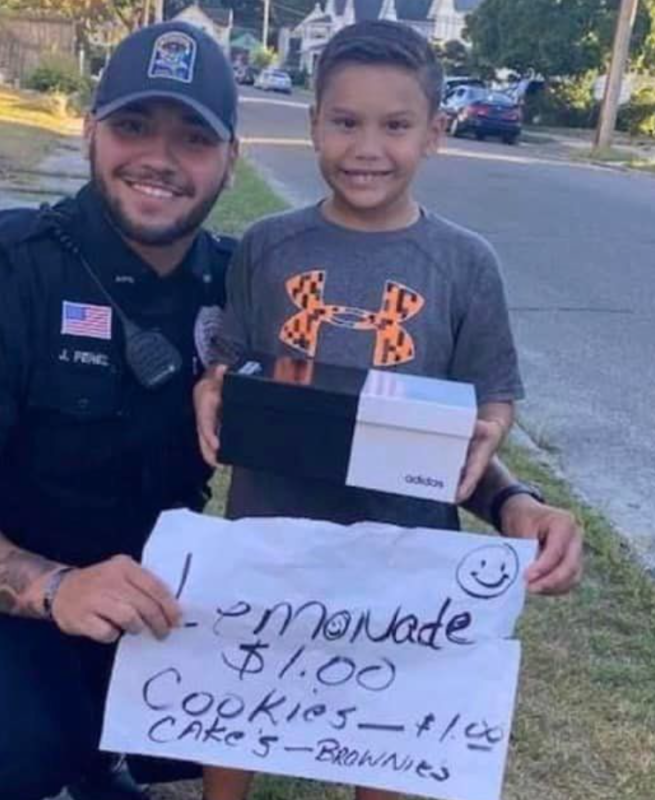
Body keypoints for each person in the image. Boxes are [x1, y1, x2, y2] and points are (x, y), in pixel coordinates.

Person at [193, 20, 584, 800]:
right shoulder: (269, 247)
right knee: (237, 689)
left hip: (405, 543)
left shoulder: (465, 263)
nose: (366, 147)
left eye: (395, 125)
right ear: (314, 125)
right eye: (345, 122)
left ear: (435, 134)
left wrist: (492, 432)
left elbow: (491, 389)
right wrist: (213, 381)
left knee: (388, 720)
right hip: (275, 524)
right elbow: (233, 352)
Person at [0, 21, 242, 800]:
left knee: (226, 731)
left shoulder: (245, 288)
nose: (159, 158)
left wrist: (510, 498)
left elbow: (372, 416)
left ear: (229, 161)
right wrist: (60, 591)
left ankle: (100, 747)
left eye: (192, 138)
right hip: (8, 599)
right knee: (12, 750)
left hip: (156, 592)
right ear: (90, 130)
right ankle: (38, 746)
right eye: (133, 126)